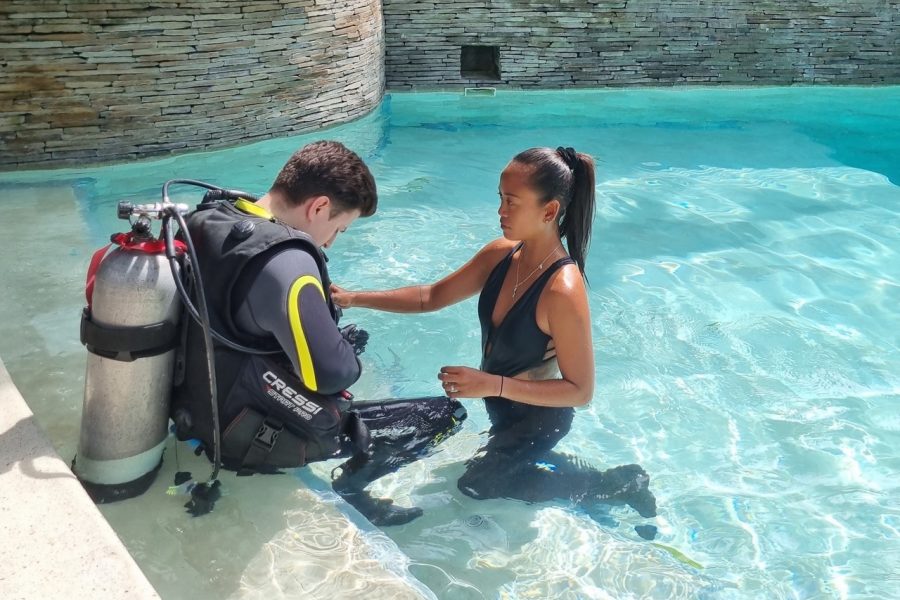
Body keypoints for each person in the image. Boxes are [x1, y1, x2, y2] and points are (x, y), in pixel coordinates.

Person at [332, 147, 658, 523]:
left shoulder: (562, 290)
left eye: (512, 202)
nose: (501, 211)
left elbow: (580, 391)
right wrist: (354, 298)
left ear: (549, 211)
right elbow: (430, 296)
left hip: (538, 420)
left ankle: (613, 485)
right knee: (492, 466)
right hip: (501, 407)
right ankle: (530, 461)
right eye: (500, 198)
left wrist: (492, 384)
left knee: (477, 486)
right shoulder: (500, 255)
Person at [170, 141, 465, 524]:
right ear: (319, 207)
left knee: (348, 344)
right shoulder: (287, 262)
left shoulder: (212, 219)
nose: (329, 241)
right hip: (242, 432)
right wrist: (340, 347)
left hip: (196, 406)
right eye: (338, 228)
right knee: (444, 415)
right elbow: (333, 376)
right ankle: (354, 487)